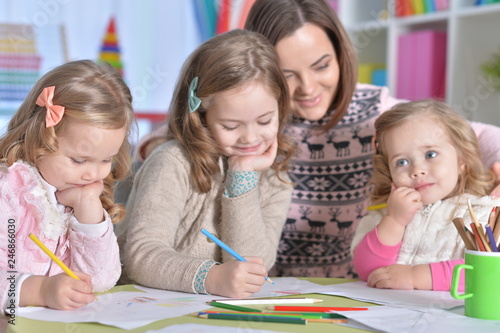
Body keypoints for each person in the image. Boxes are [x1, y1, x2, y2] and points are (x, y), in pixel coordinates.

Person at [132, 0, 500, 278]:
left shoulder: (379, 112)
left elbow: (476, 136)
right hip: (269, 286)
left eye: (322, 65)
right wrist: (162, 141)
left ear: (341, 54)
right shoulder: (259, 127)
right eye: (288, 74)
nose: (308, 89)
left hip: (353, 286)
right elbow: (202, 122)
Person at [115, 29, 296, 298]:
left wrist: (242, 177)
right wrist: (211, 277)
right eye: (231, 125)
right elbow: (141, 256)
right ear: (201, 115)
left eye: (264, 121)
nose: (250, 137)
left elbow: (255, 264)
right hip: (146, 308)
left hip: (215, 314)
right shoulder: (172, 163)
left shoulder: (275, 180)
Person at [0, 60, 134, 313]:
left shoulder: (83, 195)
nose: (94, 173)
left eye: (107, 159)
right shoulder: (8, 192)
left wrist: (88, 209)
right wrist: (38, 290)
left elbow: (102, 281)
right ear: (40, 137)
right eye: (79, 160)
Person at [351, 100, 500, 291]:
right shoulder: (386, 214)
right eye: (402, 162)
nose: (417, 170)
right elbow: (370, 272)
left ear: (462, 160)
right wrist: (395, 221)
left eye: (430, 154)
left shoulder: (486, 214)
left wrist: (416, 277)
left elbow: (489, 273)